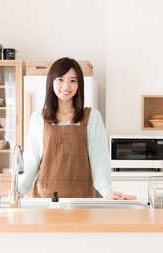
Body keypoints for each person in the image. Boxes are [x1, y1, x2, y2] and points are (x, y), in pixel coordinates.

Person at [19, 57, 135, 200]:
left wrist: (107, 192)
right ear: (51, 82)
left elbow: (100, 160)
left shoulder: (92, 117)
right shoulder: (38, 118)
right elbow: (31, 161)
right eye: (60, 79)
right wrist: (16, 190)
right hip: (47, 200)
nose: (66, 86)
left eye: (73, 80)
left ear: (79, 85)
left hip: (82, 200)